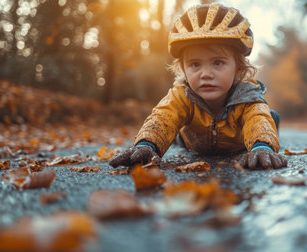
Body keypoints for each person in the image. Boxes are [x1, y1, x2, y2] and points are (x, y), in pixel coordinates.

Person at [109, 3, 287, 169]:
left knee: (264, 117)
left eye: (217, 63)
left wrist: (262, 147)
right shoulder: (182, 95)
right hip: (193, 140)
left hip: (238, 142)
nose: (206, 74)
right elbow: (163, 118)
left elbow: (258, 120)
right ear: (184, 70)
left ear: (239, 69)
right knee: (177, 132)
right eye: (195, 64)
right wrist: (147, 145)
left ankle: (271, 125)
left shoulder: (248, 98)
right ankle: (180, 137)